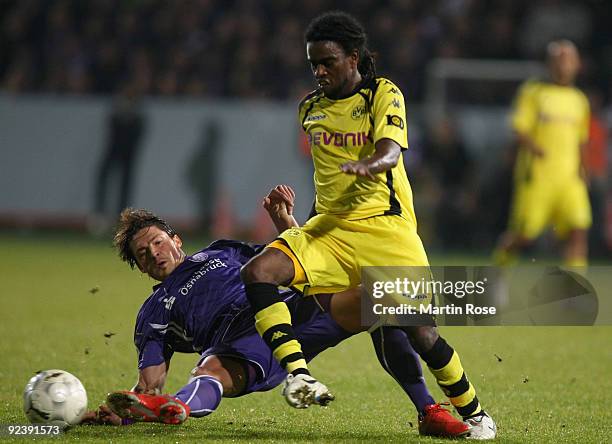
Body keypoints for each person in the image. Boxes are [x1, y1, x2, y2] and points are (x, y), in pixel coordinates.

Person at [239, 12, 495, 439]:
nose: (319, 71)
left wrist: (368, 165)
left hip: (386, 231)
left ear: (353, 57)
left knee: (420, 332)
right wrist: (293, 223)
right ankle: (299, 374)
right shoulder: (310, 109)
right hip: (330, 230)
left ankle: (475, 413)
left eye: (328, 62)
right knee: (258, 272)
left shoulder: (383, 92)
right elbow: (324, 181)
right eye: (313, 64)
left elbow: (392, 151)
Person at [84, 190, 471, 438]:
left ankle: (429, 411)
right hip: (238, 344)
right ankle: (181, 408)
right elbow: (150, 382)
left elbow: (291, 263)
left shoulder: (222, 250)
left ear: (175, 239)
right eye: (143, 255)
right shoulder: (152, 311)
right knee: (210, 371)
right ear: (140, 268)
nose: (154, 254)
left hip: (293, 313)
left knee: (380, 301)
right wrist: (126, 407)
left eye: (156, 242)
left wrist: (285, 223)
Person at [494, 40, 591, 267]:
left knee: (579, 230)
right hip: (537, 177)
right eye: (559, 60)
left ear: (577, 64)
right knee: (524, 235)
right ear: (549, 64)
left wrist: (583, 169)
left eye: (568, 60)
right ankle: (497, 272)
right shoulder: (533, 92)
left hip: (570, 179)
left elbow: (581, 140)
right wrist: (535, 147)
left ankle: (578, 290)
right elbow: (519, 128)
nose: (563, 65)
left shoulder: (579, 100)